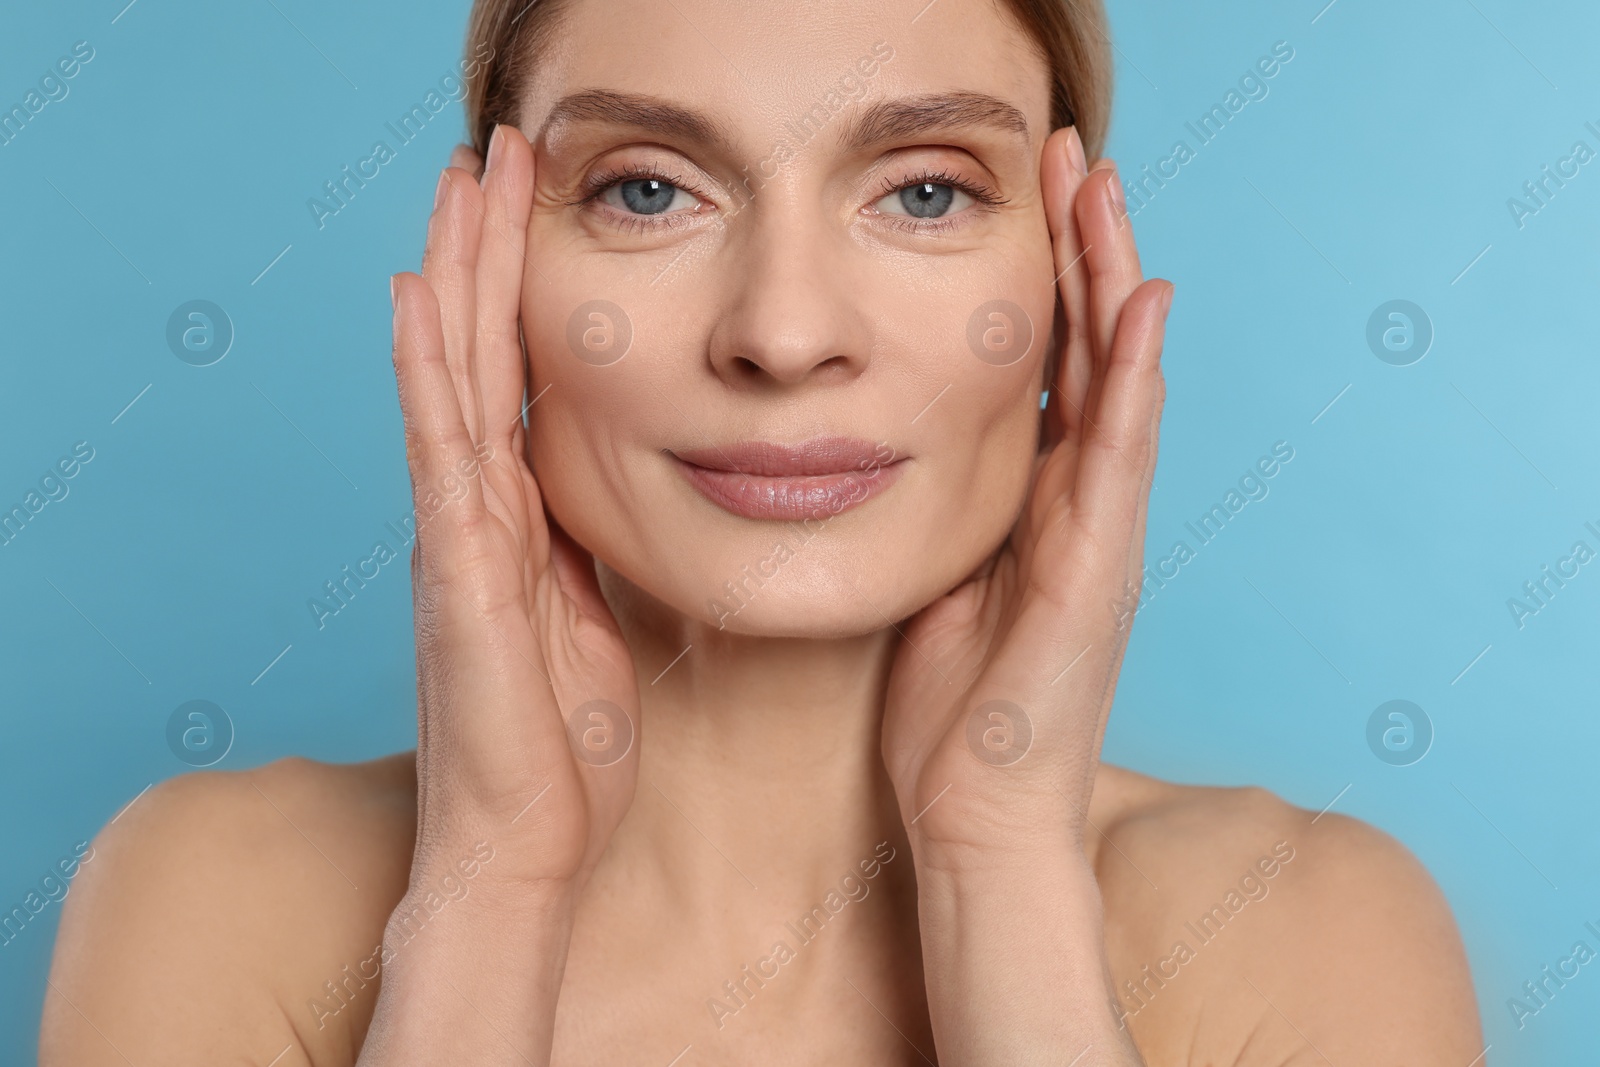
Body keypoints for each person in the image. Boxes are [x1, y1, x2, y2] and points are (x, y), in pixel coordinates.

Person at [40, 0, 1484, 1062]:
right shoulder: (209, 900)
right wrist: (494, 889)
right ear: (492, 270)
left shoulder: (1307, 931)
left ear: (1067, 275)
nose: (784, 334)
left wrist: (1001, 875)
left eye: (923, 190)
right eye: (647, 190)